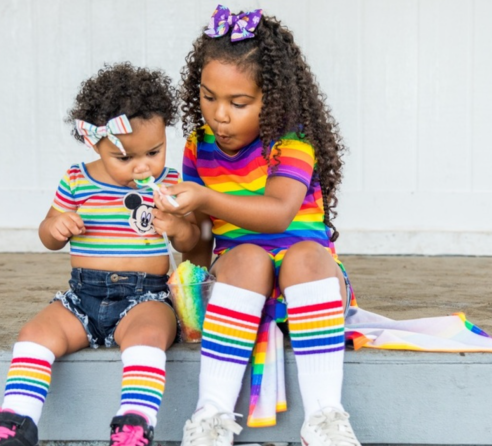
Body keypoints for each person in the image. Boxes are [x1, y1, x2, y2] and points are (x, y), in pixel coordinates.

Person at [153, 6, 361, 446]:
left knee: (305, 255)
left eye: (238, 103)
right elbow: (203, 247)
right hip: (239, 298)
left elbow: (279, 212)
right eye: (208, 97)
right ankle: (210, 417)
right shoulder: (198, 146)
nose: (219, 115)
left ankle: (324, 419)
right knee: (245, 256)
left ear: (274, 100)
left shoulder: (292, 142)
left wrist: (207, 197)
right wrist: (180, 228)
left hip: (308, 298)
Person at [0, 63, 199, 446]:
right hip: (82, 297)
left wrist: (178, 227)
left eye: (154, 151)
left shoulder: (169, 182)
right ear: (96, 145)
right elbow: (48, 231)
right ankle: (15, 422)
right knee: (34, 334)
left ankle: (133, 424)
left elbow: (190, 242)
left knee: (150, 334)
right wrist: (55, 229)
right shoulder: (76, 179)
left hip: (146, 297)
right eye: (125, 158)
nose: (143, 166)